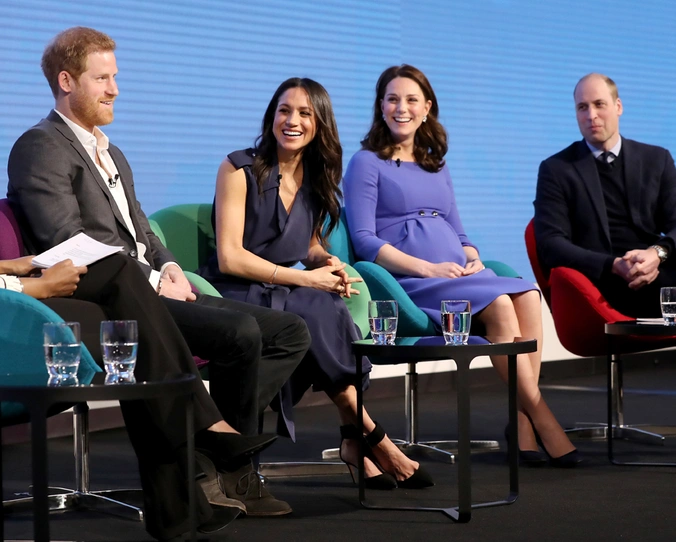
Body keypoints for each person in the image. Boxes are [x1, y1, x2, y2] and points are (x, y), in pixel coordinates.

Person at [5, 26, 311, 529]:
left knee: (288, 332)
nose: (115, 90)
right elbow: (66, 240)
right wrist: (148, 281)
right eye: (102, 79)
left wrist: (168, 266)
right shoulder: (41, 146)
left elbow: (143, 232)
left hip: (151, 284)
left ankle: (217, 462)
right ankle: (215, 452)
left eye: (115, 77)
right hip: (108, 296)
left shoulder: (113, 152)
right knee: (240, 334)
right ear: (66, 81)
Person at [198, 77, 432, 489]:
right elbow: (230, 257)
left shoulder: (314, 177)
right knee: (315, 305)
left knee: (323, 306)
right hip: (236, 291)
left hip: (283, 288)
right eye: (285, 110)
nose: (292, 120)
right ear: (272, 116)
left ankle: (358, 439)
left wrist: (328, 262)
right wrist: (309, 281)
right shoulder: (238, 168)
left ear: (319, 123)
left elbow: (309, 248)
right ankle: (373, 439)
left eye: (305, 113)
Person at [343, 64, 579, 467]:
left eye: (411, 100)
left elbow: (459, 231)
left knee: (524, 293)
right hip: (411, 283)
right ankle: (540, 416)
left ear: (427, 108)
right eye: (393, 99)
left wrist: (471, 258)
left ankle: (521, 423)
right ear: (380, 106)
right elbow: (364, 241)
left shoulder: (437, 163)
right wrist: (425, 268)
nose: (402, 108)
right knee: (502, 305)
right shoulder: (367, 162)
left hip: (455, 274)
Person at [0, 253, 275, 539]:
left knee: (120, 272)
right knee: (127, 308)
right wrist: (33, 286)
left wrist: (9, 265)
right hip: (11, 304)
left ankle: (179, 501)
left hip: (12, 287)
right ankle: (182, 488)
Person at [533, 72, 676, 416]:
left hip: (662, 274)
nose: (591, 115)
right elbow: (550, 245)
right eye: (582, 107)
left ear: (618, 107)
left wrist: (657, 253)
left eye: (599, 105)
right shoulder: (557, 169)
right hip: (612, 286)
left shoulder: (656, 158)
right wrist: (612, 264)